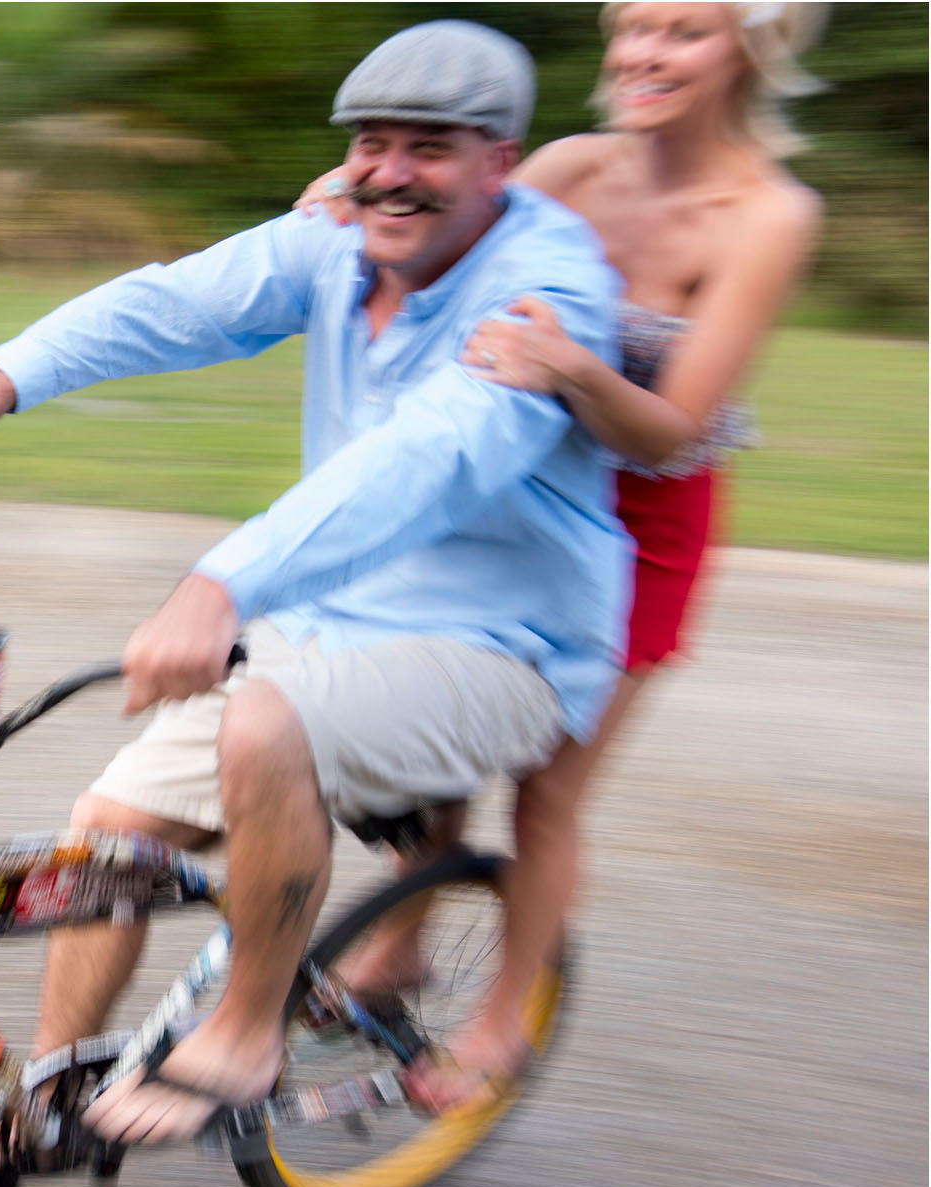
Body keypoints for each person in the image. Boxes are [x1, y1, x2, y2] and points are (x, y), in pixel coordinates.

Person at [0, 19, 634, 1187]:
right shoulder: (340, 232)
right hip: (331, 615)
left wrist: (222, 584)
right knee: (105, 837)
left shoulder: (549, 298)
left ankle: (241, 1036)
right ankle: (42, 1110)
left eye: (426, 147)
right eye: (369, 142)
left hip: (500, 645)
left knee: (260, 727)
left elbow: (424, 463)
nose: (386, 169)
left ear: (500, 160)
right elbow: (175, 305)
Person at [297, 1, 825, 1110]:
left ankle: (499, 1025)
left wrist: (569, 368)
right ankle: (394, 950)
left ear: (747, 48)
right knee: (437, 746)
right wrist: (344, 206)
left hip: (647, 517)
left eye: (681, 31)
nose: (641, 54)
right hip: (517, 487)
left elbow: (675, 428)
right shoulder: (572, 166)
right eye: (631, 27)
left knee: (543, 793)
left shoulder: (767, 215)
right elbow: (440, 232)